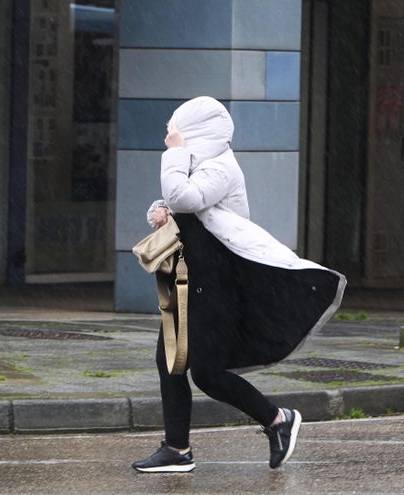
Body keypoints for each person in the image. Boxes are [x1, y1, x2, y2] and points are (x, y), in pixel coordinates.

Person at [131, 96, 346, 473]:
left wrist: (175, 157)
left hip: (217, 286)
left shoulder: (221, 167)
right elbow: (177, 201)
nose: (170, 137)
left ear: (195, 131)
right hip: (188, 278)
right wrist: (159, 209)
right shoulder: (198, 164)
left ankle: (278, 420)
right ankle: (176, 449)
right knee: (170, 361)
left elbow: (185, 196)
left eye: (176, 130)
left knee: (207, 373)